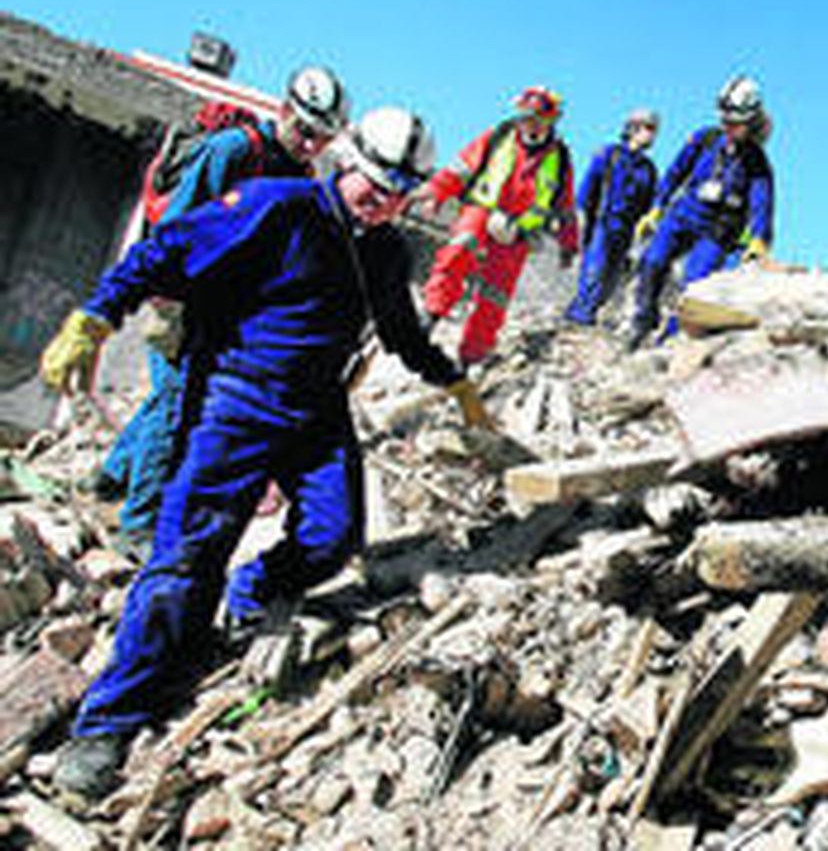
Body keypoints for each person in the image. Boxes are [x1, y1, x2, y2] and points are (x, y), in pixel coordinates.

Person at [40, 107, 489, 800]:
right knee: (187, 553)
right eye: (376, 182)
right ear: (348, 163)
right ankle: (107, 723)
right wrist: (94, 317)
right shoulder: (275, 205)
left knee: (332, 534)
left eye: (400, 190)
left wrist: (451, 378)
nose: (384, 199)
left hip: (317, 406)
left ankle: (245, 595)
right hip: (238, 394)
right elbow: (164, 251)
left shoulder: (384, 249)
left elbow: (398, 330)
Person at [92, 66, 350, 562]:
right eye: (306, 130)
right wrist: (164, 291)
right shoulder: (234, 150)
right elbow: (177, 222)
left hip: (226, 307)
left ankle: (110, 477)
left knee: (173, 396)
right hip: (179, 297)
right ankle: (138, 524)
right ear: (284, 110)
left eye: (322, 137)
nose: (311, 144)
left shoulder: (301, 176)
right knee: (174, 407)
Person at [420, 86, 579, 364]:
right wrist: (437, 191)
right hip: (482, 210)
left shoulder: (560, 159)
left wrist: (569, 244)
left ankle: (473, 354)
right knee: (458, 251)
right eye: (524, 116)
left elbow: (564, 208)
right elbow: (461, 168)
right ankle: (431, 314)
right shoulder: (499, 137)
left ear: (550, 120)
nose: (528, 123)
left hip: (519, 231)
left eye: (535, 118)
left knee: (497, 293)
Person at [628, 75, 774, 349]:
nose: (728, 127)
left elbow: (762, 202)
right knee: (653, 261)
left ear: (750, 122)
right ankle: (644, 319)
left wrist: (759, 239)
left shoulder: (756, 162)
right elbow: (675, 172)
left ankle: (671, 339)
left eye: (735, 124)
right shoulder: (704, 139)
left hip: (718, 228)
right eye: (725, 121)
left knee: (694, 284)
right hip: (684, 213)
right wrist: (657, 208)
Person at [563, 108, 660, 326]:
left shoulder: (648, 169)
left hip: (626, 230)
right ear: (633, 128)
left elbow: (649, 204)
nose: (653, 136)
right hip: (602, 223)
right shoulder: (609, 155)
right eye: (649, 129)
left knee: (611, 278)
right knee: (593, 272)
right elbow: (588, 188)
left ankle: (581, 313)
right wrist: (580, 217)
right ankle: (580, 317)